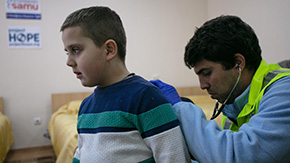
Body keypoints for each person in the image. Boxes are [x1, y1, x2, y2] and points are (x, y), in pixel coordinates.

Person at [151, 15, 290, 163]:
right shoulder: (233, 105)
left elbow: (239, 156)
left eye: (206, 73)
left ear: (238, 63)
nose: (202, 85)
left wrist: (182, 109)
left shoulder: (284, 91)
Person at [60, 6, 190, 163]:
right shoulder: (86, 106)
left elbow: (174, 158)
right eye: (67, 52)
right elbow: (81, 154)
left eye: (76, 50)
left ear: (109, 50)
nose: (68, 62)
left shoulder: (146, 98)